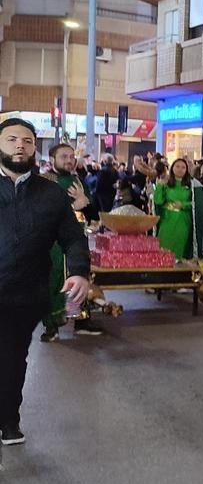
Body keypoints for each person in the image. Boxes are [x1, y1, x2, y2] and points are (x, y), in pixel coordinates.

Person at [0, 118, 90, 445]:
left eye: (25, 140)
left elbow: (73, 238)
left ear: (34, 147)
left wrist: (79, 271)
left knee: (12, 359)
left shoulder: (50, 193)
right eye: (11, 139)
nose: (19, 145)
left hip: (24, 294)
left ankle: (9, 418)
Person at [41, 144, 99, 341]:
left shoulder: (77, 181)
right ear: (51, 159)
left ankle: (82, 320)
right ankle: (51, 326)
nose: (69, 160)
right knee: (53, 280)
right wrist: (73, 206)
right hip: (53, 242)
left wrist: (85, 202)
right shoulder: (43, 181)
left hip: (77, 239)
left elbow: (92, 213)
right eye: (64, 156)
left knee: (80, 276)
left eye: (72, 156)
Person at [152, 158, 203, 261]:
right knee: (164, 249)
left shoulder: (193, 185)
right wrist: (159, 186)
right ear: (172, 168)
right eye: (177, 166)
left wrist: (183, 205)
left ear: (187, 170)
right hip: (167, 220)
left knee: (179, 252)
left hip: (183, 221)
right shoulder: (165, 183)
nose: (180, 169)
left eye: (183, 167)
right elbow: (158, 201)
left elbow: (197, 205)